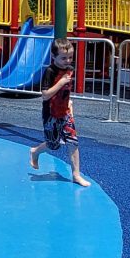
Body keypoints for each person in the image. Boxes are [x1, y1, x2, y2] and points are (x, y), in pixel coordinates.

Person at [29, 38, 91, 187]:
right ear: (53, 56)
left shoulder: (69, 69)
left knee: (73, 142)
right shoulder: (50, 72)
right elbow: (45, 95)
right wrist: (60, 83)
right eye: (63, 58)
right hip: (50, 113)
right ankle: (35, 151)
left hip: (65, 111)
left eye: (70, 57)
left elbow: (65, 91)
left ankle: (76, 174)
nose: (67, 60)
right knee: (53, 145)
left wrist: (69, 104)